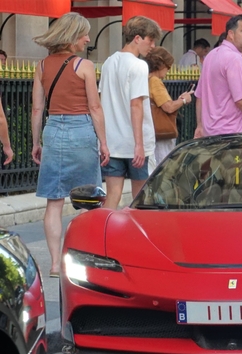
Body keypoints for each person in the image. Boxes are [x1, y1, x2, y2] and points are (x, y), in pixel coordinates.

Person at [30, 12, 109, 277]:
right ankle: (80, 258)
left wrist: (35, 141)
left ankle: (54, 264)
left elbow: (37, 109)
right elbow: (95, 107)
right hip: (81, 130)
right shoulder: (83, 65)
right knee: (89, 200)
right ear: (72, 36)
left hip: (53, 131)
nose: (88, 38)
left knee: (54, 201)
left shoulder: (41, 66)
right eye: (84, 34)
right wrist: (104, 142)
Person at [99, 16, 161, 210]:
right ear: (137, 38)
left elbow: (103, 101)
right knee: (141, 198)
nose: (152, 46)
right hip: (134, 142)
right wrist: (139, 144)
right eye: (150, 40)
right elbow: (136, 105)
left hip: (112, 141)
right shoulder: (139, 65)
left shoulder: (108, 62)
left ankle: (103, 236)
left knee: (112, 196)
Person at [145, 47, 193, 164]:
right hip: (162, 134)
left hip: (150, 131)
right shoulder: (155, 81)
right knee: (164, 164)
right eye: (168, 67)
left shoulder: (145, 78)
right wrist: (184, 100)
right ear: (161, 65)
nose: (168, 71)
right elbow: (168, 107)